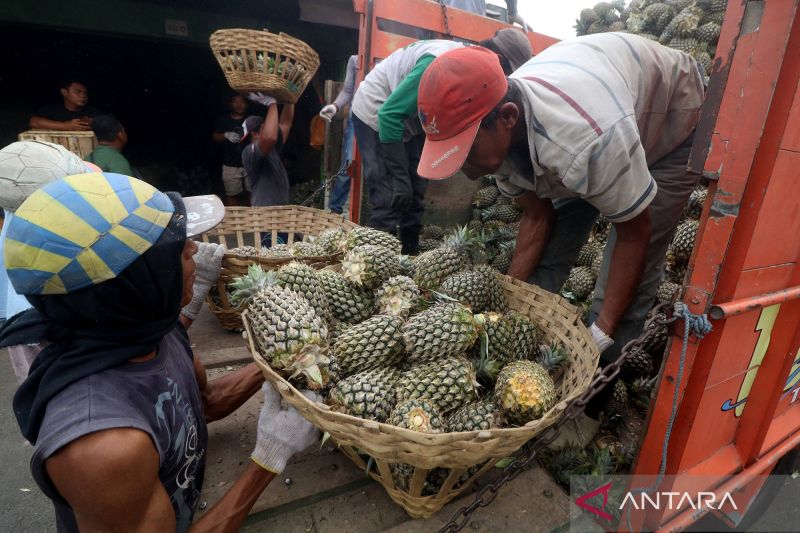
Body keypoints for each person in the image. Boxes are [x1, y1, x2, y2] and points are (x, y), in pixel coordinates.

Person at [0, 172, 321, 531]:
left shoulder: (150, 328)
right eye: (176, 249)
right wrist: (268, 458)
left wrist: (281, 363)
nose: (194, 250)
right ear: (135, 282)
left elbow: (204, 403)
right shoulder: (102, 445)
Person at [415, 35, 704, 368]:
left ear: (508, 118)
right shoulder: (501, 137)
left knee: (630, 276)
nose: (465, 170)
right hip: (598, 117)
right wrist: (511, 297)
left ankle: (599, 383)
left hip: (671, 118)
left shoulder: (585, 143)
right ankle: (530, 339)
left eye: (465, 151)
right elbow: (538, 217)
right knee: (552, 247)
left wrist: (602, 330)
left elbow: (634, 233)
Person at [351, 30, 532, 254]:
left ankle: (410, 258)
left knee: (416, 194)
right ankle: (371, 266)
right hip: (378, 112)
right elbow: (389, 115)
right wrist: (399, 176)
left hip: (414, 119)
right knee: (390, 198)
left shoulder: (471, 71)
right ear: (500, 62)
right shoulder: (441, 67)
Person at [0, 140, 87, 383]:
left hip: (28, 321)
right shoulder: (47, 229)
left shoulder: (14, 206)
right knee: (53, 392)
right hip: (39, 324)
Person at [241, 93, 295, 207]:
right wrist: (272, 104)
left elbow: (285, 124)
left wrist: (290, 99)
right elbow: (270, 137)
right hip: (264, 213)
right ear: (255, 134)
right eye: (265, 127)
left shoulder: (271, 149)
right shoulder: (249, 153)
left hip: (279, 211)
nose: (271, 128)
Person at [319, 55, 358, 215]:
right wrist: (335, 106)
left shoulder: (395, 58)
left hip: (382, 118)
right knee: (348, 163)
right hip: (357, 118)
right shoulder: (354, 61)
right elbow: (348, 91)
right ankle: (335, 210)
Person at [212, 94, 250, 206]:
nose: (239, 105)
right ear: (230, 104)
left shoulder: (250, 120)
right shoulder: (223, 120)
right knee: (231, 195)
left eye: (242, 102)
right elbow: (214, 137)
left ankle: (254, 218)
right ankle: (235, 221)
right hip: (230, 164)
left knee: (253, 193)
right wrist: (225, 135)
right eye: (235, 101)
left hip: (249, 163)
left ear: (247, 104)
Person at [29, 78, 102, 132]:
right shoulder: (52, 109)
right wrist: (67, 126)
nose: (83, 96)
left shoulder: (94, 112)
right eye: (78, 92)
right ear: (64, 92)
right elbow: (34, 122)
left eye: (85, 93)